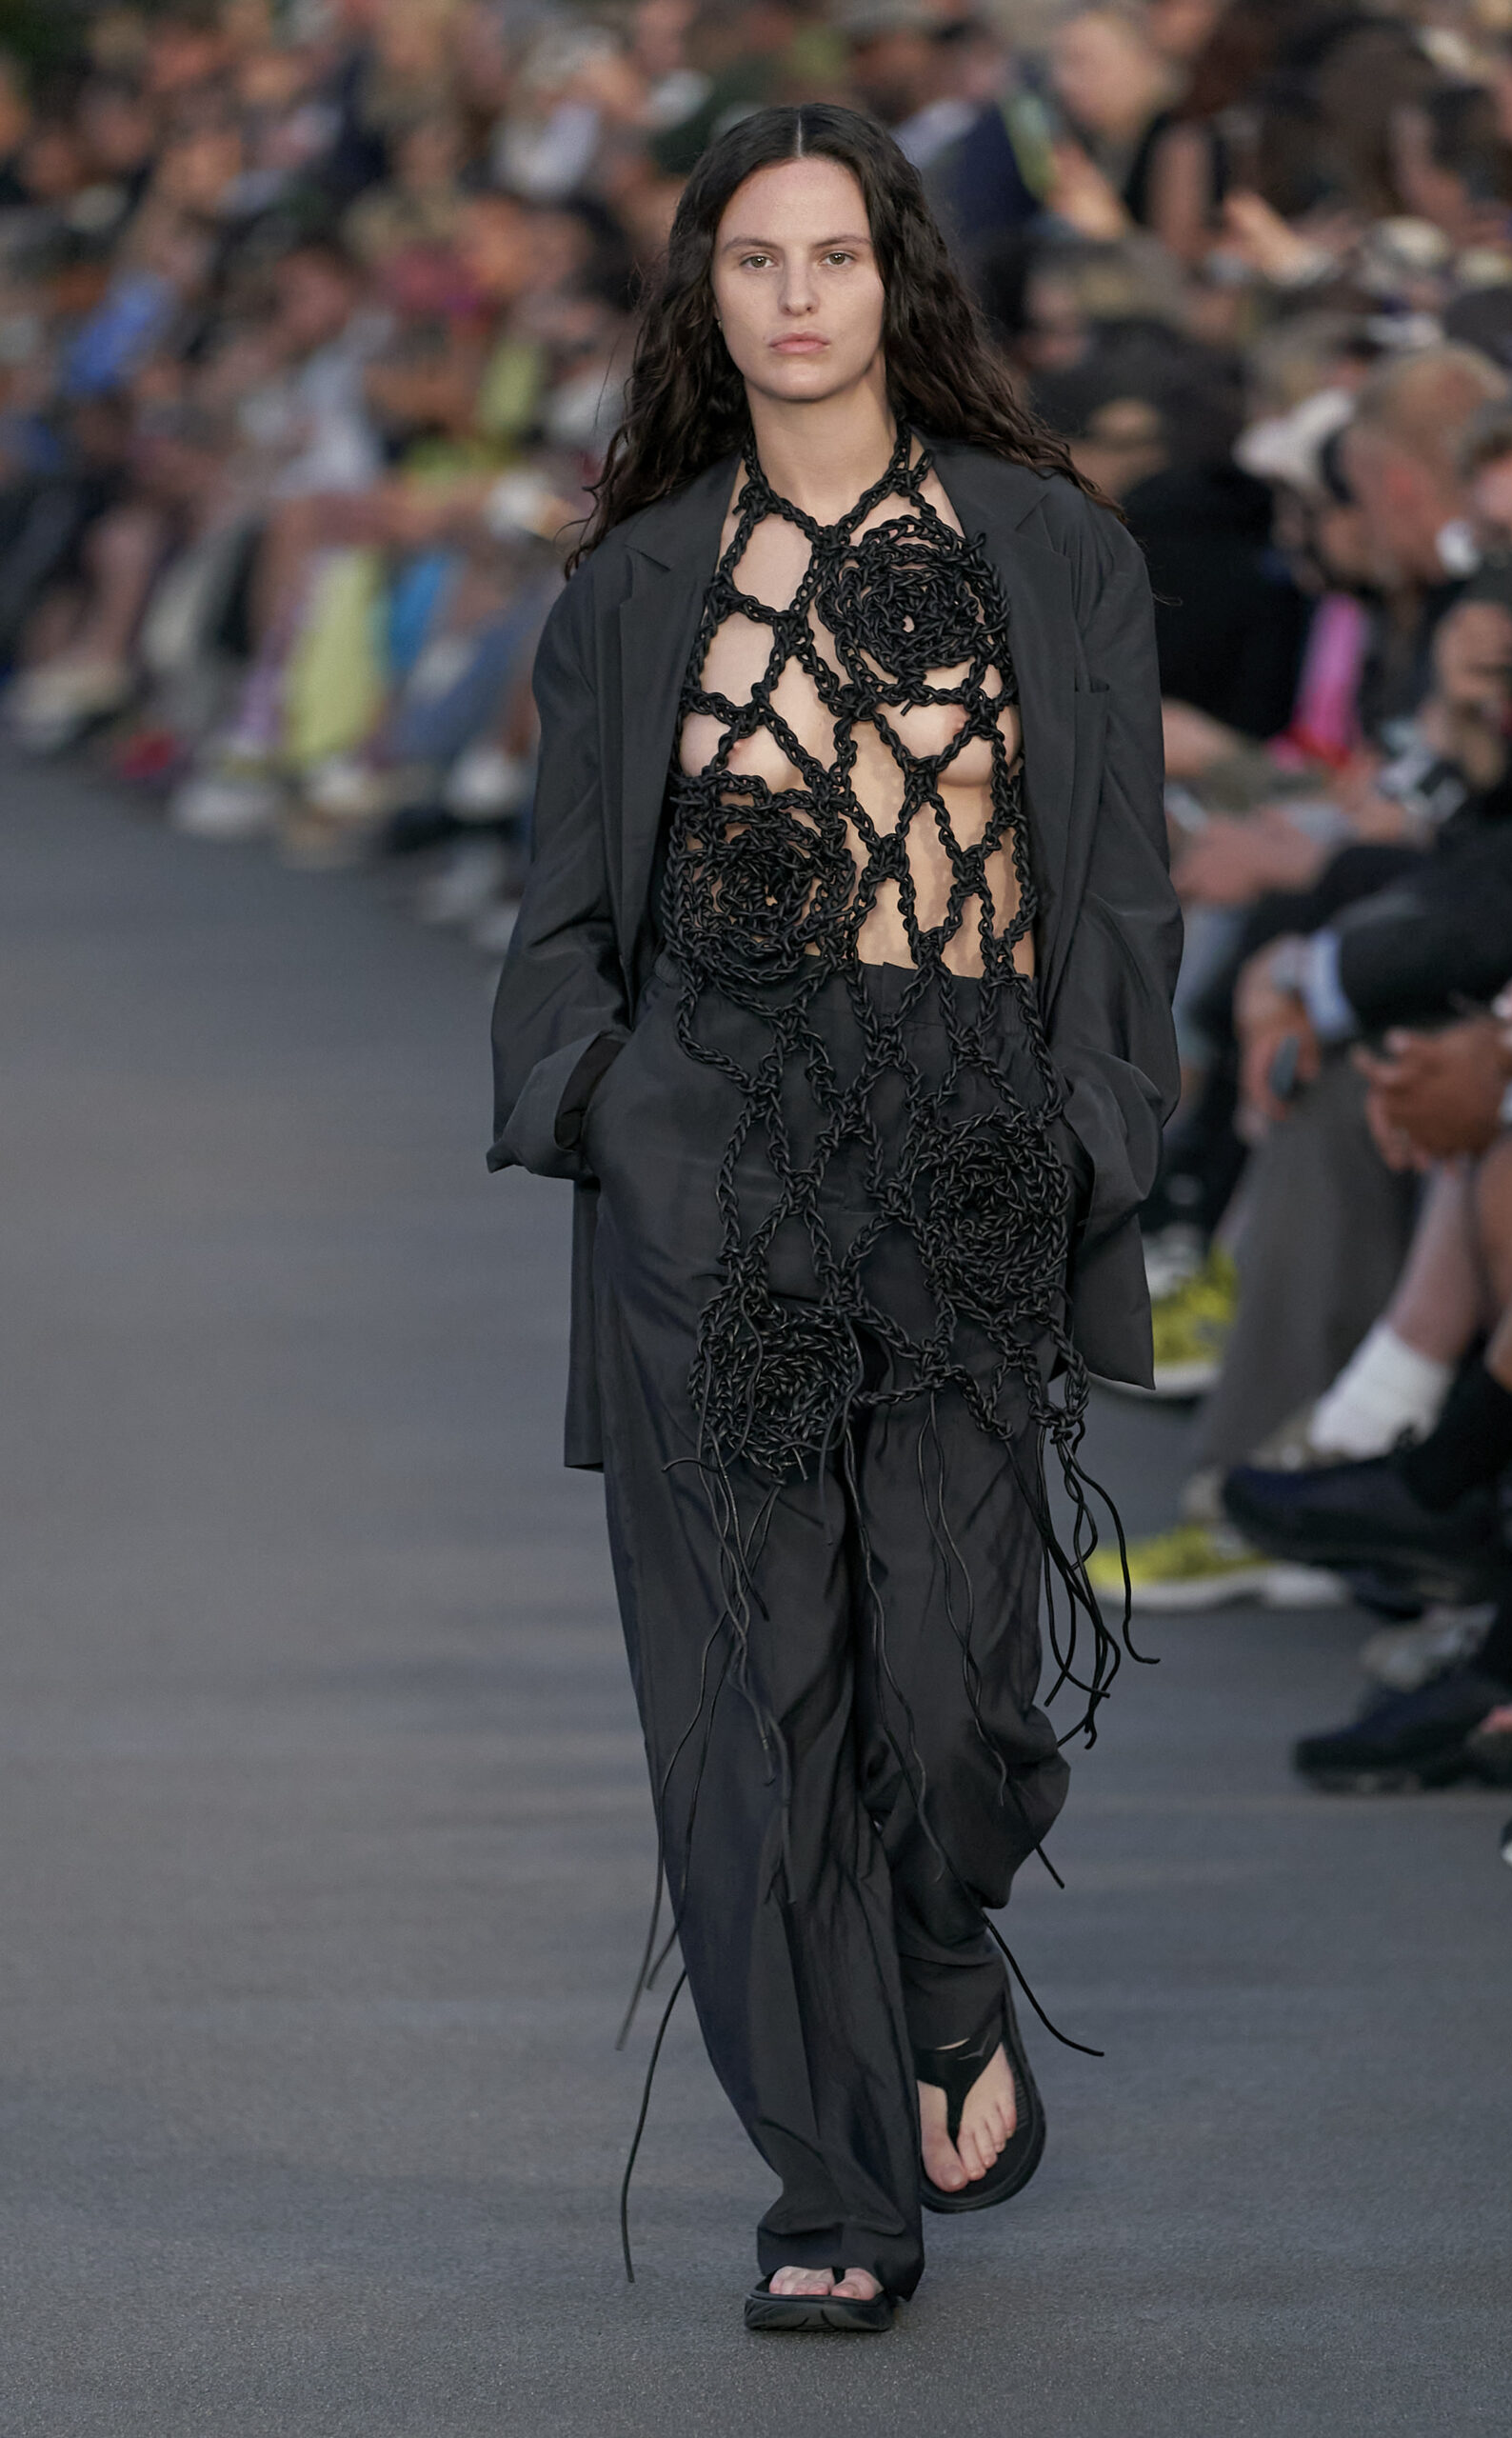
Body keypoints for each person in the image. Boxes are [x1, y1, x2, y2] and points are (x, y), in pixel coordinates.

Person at [487, 103, 1180, 2330]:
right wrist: (605, 1108)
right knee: (749, 1692)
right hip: (718, 1162)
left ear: (897, 279)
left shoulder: (1049, 548)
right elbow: (560, 917)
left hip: (971, 1144)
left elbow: (1120, 889)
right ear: (703, 295)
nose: (796, 299)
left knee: (955, 1685)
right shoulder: (630, 586)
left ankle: (940, 1951)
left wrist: (1092, 1123)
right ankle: (831, 2183)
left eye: (834, 257)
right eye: (752, 261)